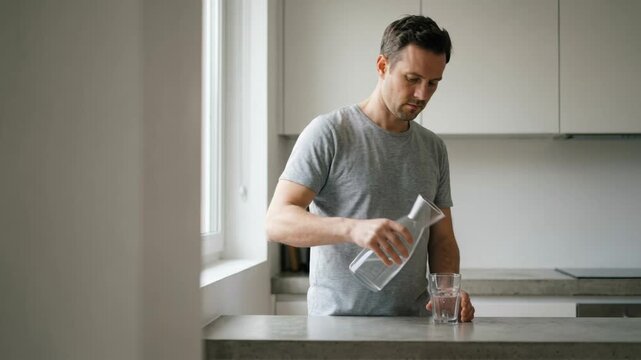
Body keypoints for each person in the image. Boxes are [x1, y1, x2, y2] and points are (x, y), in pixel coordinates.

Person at [266, 15, 474, 321]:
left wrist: (449, 292)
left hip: (414, 326)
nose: (422, 95)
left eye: (433, 83)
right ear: (382, 66)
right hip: (337, 328)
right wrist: (353, 229)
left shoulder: (433, 148)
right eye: (412, 79)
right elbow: (277, 222)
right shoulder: (330, 132)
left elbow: (442, 239)